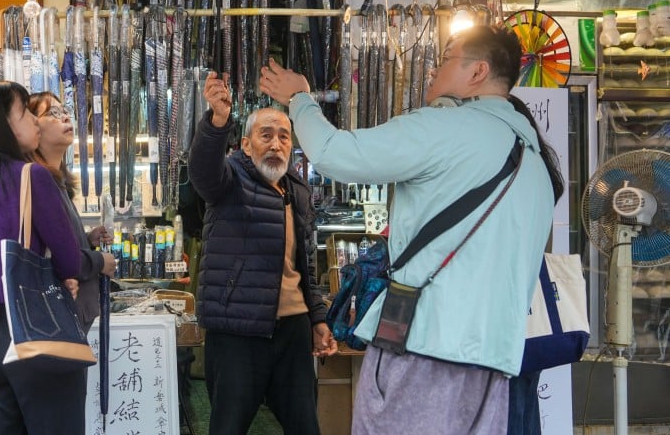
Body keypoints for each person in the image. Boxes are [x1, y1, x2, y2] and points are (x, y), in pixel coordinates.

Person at [260, 25, 565, 435]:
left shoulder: (446, 127)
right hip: (494, 362)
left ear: (477, 72)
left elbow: (335, 154)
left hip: (424, 346)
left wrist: (300, 99)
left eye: (444, 60)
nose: (431, 72)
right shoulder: (537, 161)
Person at [188, 72, 337, 435]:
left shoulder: (297, 190)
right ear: (246, 144)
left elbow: (304, 266)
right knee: (228, 426)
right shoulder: (229, 180)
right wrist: (217, 120)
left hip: (293, 329)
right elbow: (202, 172)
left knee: (305, 426)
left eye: (283, 136)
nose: (275, 143)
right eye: (265, 135)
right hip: (238, 330)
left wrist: (317, 319)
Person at [0, 82, 86, 435]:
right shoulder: (31, 176)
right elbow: (72, 262)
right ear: (1, 127)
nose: (36, 123)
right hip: (33, 322)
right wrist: (68, 272)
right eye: (24, 113)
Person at [28, 91, 117, 332]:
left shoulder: (58, 182)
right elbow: (55, 259)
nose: (66, 117)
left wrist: (86, 239)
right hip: (59, 313)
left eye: (65, 110)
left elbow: (57, 244)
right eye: (53, 113)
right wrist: (99, 261)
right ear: (31, 126)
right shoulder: (38, 180)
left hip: (74, 312)